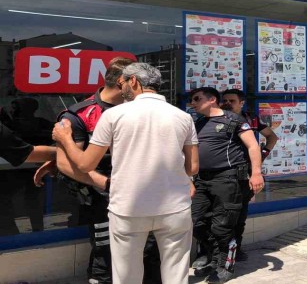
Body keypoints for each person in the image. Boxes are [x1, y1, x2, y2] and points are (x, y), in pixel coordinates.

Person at [53, 63, 199, 284]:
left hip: (129, 208)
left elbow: (84, 164)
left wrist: (65, 139)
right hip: (175, 208)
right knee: (176, 273)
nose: (121, 88)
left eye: (122, 83)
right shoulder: (183, 117)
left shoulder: (114, 115)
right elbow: (192, 167)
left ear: (134, 81)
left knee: (126, 275)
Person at [41, 56, 164, 284]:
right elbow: (66, 164)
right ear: (124, 82)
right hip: (102, 197)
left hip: (144, 195)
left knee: (149, 251)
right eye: (140, 82)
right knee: (106, 253)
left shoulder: (142, 110)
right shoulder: (80, 114)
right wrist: (105, 184)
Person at [189, 87, 263, 283]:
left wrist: (256, 173)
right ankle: (215, 257)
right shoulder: (199, 123)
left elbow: (253, 146)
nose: (193, 103)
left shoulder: (234, 120)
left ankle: (225, 265)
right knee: (194, 221)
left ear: (212, 99)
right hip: (202, 179)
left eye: (197, 98)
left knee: (222, 225)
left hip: (227, 178)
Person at [220, 88, 278, 262]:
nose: (227, 104)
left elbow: (272, 137)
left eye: (232, 101)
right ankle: (214, 252)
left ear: (241, 103)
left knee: (240, 215)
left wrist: (263, 154)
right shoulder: (217, 118)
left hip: (245, 173)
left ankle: (236, 250)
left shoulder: (251, 119)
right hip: (222, 173)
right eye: (225, 101)